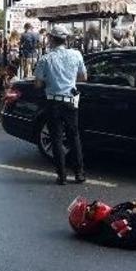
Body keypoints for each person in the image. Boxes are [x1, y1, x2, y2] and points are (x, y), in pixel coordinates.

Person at [34, 24, 87, 185]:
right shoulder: (76, 55)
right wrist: (69, 80)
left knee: (56, 139)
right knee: (74, 137)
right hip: (70, 103)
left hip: (53, 103)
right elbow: (83, 77)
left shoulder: (45, 58)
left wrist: (50, 81)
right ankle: (79, 173)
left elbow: (37, 84)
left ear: (51, 39)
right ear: (66, 40)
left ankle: (61, 175)